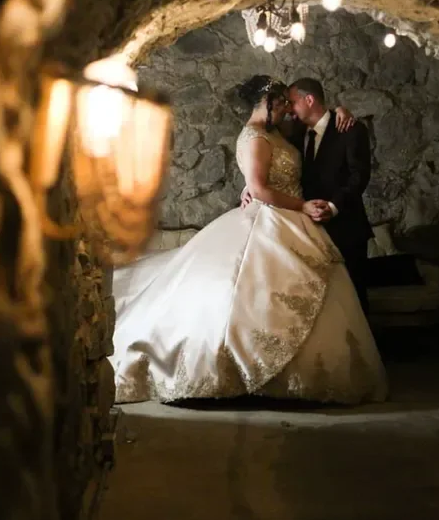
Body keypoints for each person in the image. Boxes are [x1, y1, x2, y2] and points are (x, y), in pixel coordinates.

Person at [109, 75, 388, 405]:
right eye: (283, 103)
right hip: (284, 216)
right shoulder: (257, 135)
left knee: (338, 292)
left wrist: (341, 109)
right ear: (266, 102)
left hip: (324, 222)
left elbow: (348, 173)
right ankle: (244, 370)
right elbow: (259, 184)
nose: (289, 110)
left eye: (291, 102)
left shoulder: (297, 132)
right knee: (252, 289)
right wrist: (262, 191)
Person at [243, 77, 374, 315]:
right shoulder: (293, 132)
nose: (288, 109)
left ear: (309, 99)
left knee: (354, 298)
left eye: (292, 102)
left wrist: (333, 207)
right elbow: (271, 165)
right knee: (321, 301)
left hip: (345, 226)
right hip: (306, 228)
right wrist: (249, 186)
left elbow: (359, 177)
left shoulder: (350, 128)